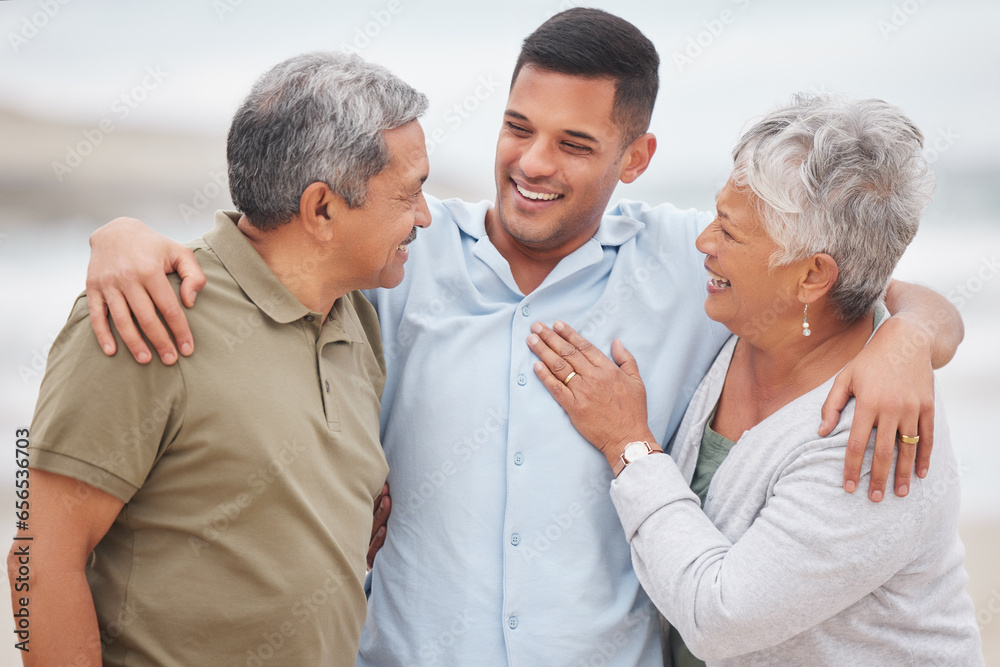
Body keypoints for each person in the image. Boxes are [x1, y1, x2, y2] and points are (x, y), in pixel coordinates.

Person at [80, 10, 964, 665]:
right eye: (517, 128)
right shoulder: (401, 256)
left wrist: (909, 335)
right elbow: (269, 251)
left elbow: (845, 273)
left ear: (638, 156)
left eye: (575, 143)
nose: (534, 164)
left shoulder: (693, 261)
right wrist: (122, 237)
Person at [7, 52, 430, 666]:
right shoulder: (147, 313)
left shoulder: (356, 319)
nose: (424, 216)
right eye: (410, 194)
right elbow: (35, 559)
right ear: (321, 209)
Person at [528, 95, 982, 665]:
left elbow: (720, 618)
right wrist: (913, 332)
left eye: (730, 233)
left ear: (814, 275)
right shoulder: (755, 321)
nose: (704, 243)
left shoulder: (874, 436)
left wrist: (628, 444)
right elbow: (919, 303)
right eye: (715, 215)